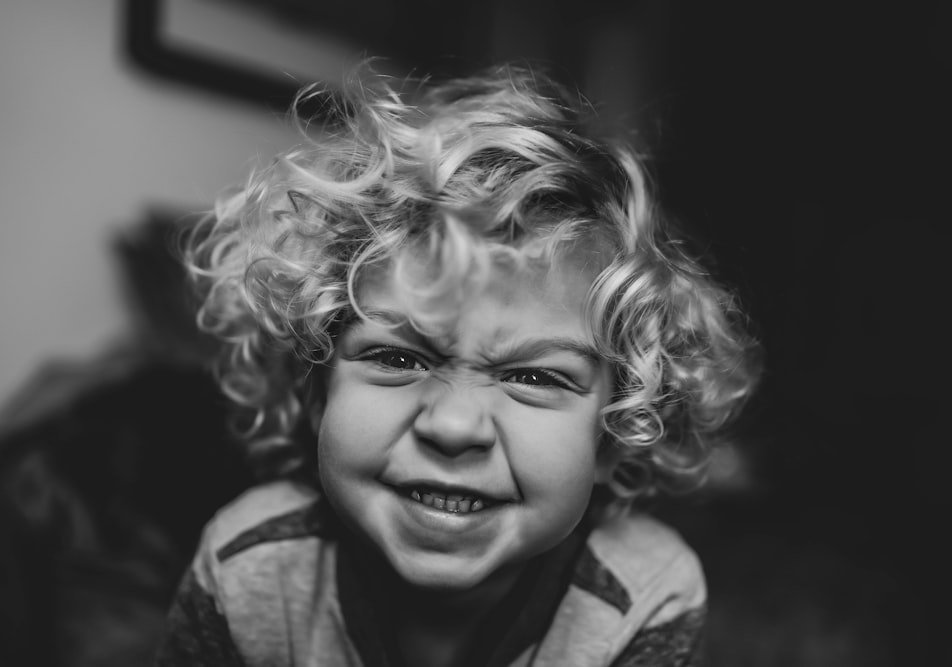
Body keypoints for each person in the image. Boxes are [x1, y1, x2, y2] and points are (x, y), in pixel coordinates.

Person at [155, 62, 759, 667]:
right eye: (397, 357)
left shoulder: (644, 598)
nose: (453, 425)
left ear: (612, 437)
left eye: (534, 377)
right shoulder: (248, 571)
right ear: (316, 391)